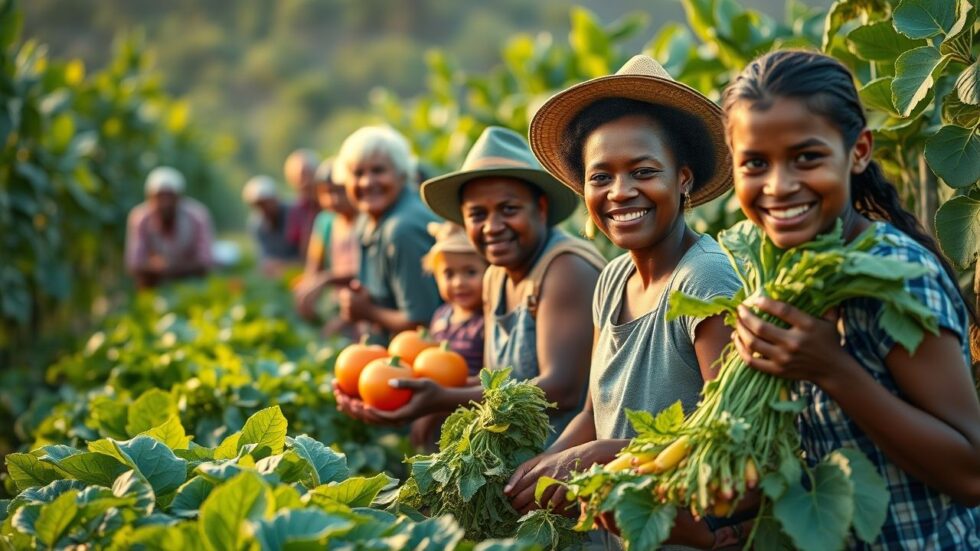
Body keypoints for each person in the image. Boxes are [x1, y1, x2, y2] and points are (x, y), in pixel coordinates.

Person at [725, 51, 979, 548]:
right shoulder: (777, 271)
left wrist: (831, 368)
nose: (779, 186)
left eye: (807, 157)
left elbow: (972, 472)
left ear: (858, 151)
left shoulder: (896, 276)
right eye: (755, 163)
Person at [506, 55, 743, 549]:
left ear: (683, 178)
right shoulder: (613, 278)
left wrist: (606, 455)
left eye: (643, 171)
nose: (620, 192)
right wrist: (534, 475)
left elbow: (732, 444)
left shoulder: (705, 280)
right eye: (601, 177)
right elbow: (595, 413)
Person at [333, 126, 604, 447]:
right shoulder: (496, 276)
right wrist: (421, 388)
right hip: (517, 452)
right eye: (477, 214)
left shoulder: (565, 268)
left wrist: (444, 398)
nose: (492, 226)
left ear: (541, 209)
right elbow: (501, 378)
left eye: (509, 209)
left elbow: (561, 388)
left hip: (565, 463)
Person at [332, 126, 442, 341]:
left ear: (402, 174)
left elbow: (423, 322)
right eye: (358, 173)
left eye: (378, 171)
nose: (367, 182)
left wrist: (367, 312)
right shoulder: (368, 219)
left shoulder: (402, 230)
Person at [410, 221, 489, 451]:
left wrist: (443, 398)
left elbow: (489, 374)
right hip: (439, 414)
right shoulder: (441, 316)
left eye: (470, 272)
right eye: (448, 273)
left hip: (473, 416)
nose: (458, 282)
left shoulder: (485, 321)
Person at [294, 159, 361, 323]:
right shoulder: (325, 222)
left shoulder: (365, 220)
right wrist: (306, 290)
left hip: (362, 301)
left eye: (340, 191)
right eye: (327, 193)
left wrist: (327, 279)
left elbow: (366, 271)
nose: (334, 199)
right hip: (336, 301)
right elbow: (314, 266)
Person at [125, 166, 214, 289]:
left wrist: (173, 267)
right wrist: (153, 266)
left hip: (190, 282)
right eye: (159, 197)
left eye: (169, 197)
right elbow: (134, 264)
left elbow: (205, 262)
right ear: (150, 198)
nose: (165, 203)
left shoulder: (197, 216)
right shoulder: (140, 218)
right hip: (154, 283)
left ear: (179, 197)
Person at [242, 174, 298, 277]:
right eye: (258, 205)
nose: (263, 208)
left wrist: (285, 265)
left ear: (276, 198)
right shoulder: (256, 225)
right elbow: (263, 257)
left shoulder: (294, 214)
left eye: (265, 203)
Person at [283, 148, 321, 258]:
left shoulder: (328, 203)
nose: (304, 182)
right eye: (298, 178)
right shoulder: (295, 210)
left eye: (307, 174)